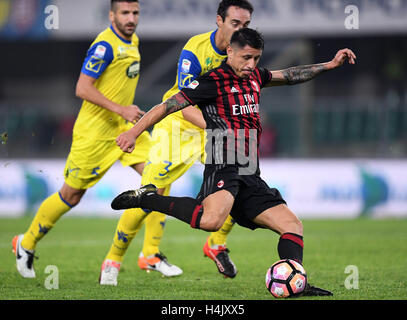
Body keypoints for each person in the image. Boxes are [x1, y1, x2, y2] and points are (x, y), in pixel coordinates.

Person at [112, 28, 357, 296]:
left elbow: (289, 75)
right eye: (247, 57)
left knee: (292, 225)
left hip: (249, 170)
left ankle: (296, 281)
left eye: (257, 58)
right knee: (211, 221)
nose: (251, 64)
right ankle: (147, 198)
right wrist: (133, 133)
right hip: (223, 162)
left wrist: (330, 65)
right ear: (230, 51)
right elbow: (167, 106)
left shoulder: (255, 77)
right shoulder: (212, 81)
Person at [11, 0, 181, 280]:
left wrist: (125, 114)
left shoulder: (133, 40)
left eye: (135, 13)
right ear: (112, 15)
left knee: (159, 177)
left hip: (126, 128)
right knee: (72, 196)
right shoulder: (104, 46)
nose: (131, 18)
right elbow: (82, 87)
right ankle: (26, 242)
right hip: (95, 133)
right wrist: (120, 108)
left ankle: (149, 252)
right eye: (125, 13)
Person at [100, 0, 254, 283]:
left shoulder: (245, 55)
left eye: (246, 25)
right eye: (235, 23)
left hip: (215, 131)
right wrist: (219, 125)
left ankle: (216, 244)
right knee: (148, 196)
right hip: (179, 127)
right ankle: (113, 258)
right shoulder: (195, 50)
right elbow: (182, 102)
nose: (241, 30)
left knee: (244, 181)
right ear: (219, 21)